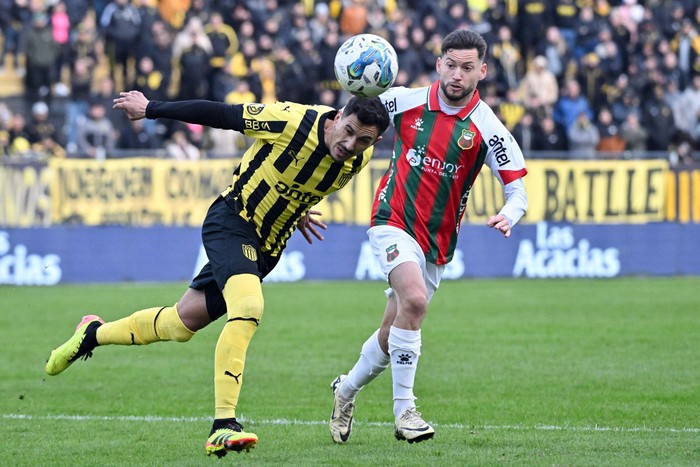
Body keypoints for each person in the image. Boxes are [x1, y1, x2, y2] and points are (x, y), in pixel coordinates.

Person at [45, 90, 390, 457]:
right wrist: (151, 109)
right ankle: (223, 425)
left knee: (180, 324)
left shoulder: (359, 158)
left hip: (267, 249)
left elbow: (299, 180)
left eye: (363, 140)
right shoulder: (290, 121)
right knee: (249, 308)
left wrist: (296, 209)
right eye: (348, 131)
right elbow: (221, 114)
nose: (350, 144)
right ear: (337, 117)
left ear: (375, 142)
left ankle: (92, 334)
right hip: (232, 222)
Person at [329, 29, 528, 445]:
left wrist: (510, 214)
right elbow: (343, 126)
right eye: (451, 65)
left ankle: (345, 389)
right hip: (392, 218)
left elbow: (517, 188)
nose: (457, 75)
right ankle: (406, 412)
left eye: (467, 68)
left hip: (436, 242)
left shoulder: (487, 127)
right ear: (439, 64)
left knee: (391, 336)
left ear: (482, 71)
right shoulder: (403, 101)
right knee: (415, 301)